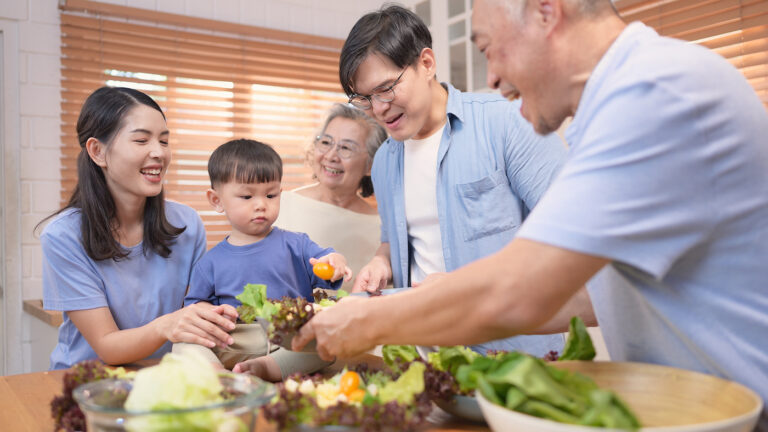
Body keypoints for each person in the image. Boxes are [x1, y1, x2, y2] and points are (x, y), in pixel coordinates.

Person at [294, 0, 768, 429]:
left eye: (490, 48)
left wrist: (370, 321)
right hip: (684, 409)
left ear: (547, 12)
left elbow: (527, 293)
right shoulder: (608, 110)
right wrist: (448, 295)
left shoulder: (654, 92)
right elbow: (593, 292)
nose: (494, 77)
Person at [343, 5, 569, 356]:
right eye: (365, 99)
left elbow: (568, 237)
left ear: (427, 64)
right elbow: (396, 241)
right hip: (426, 361)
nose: (379, 108)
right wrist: (381, 262)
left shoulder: (507, 123)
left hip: (514, 357)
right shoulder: (386, 161)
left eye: (386, 89)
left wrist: (466, 289)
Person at [41, 86, 237, 370]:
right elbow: (107, 345)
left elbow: (196, 310)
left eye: (164, 141)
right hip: (90, 384)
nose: (158, 153)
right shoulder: (63, 236)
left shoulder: (187, 225)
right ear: (98, 151)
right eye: (142, 140)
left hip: (165, 379)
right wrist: (167, 325)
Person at [175, 138, 349, 381]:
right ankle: (219, 376)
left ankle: (265, 368)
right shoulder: (209, 263)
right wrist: (212, 314)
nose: (261, 205)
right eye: (247, 197)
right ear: (217, 201)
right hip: (234, 340)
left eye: (271, 194)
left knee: (326, 348)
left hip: (287, 341)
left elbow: (325, 260)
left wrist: (335, 263)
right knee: (183, 344)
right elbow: (196, 309)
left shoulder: (296, 244)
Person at [275, 104, 387, 291]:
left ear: (370, 165)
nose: (331, 155)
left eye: (346, 148)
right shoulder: (280, 205)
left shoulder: (382, 226)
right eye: (326, 142)